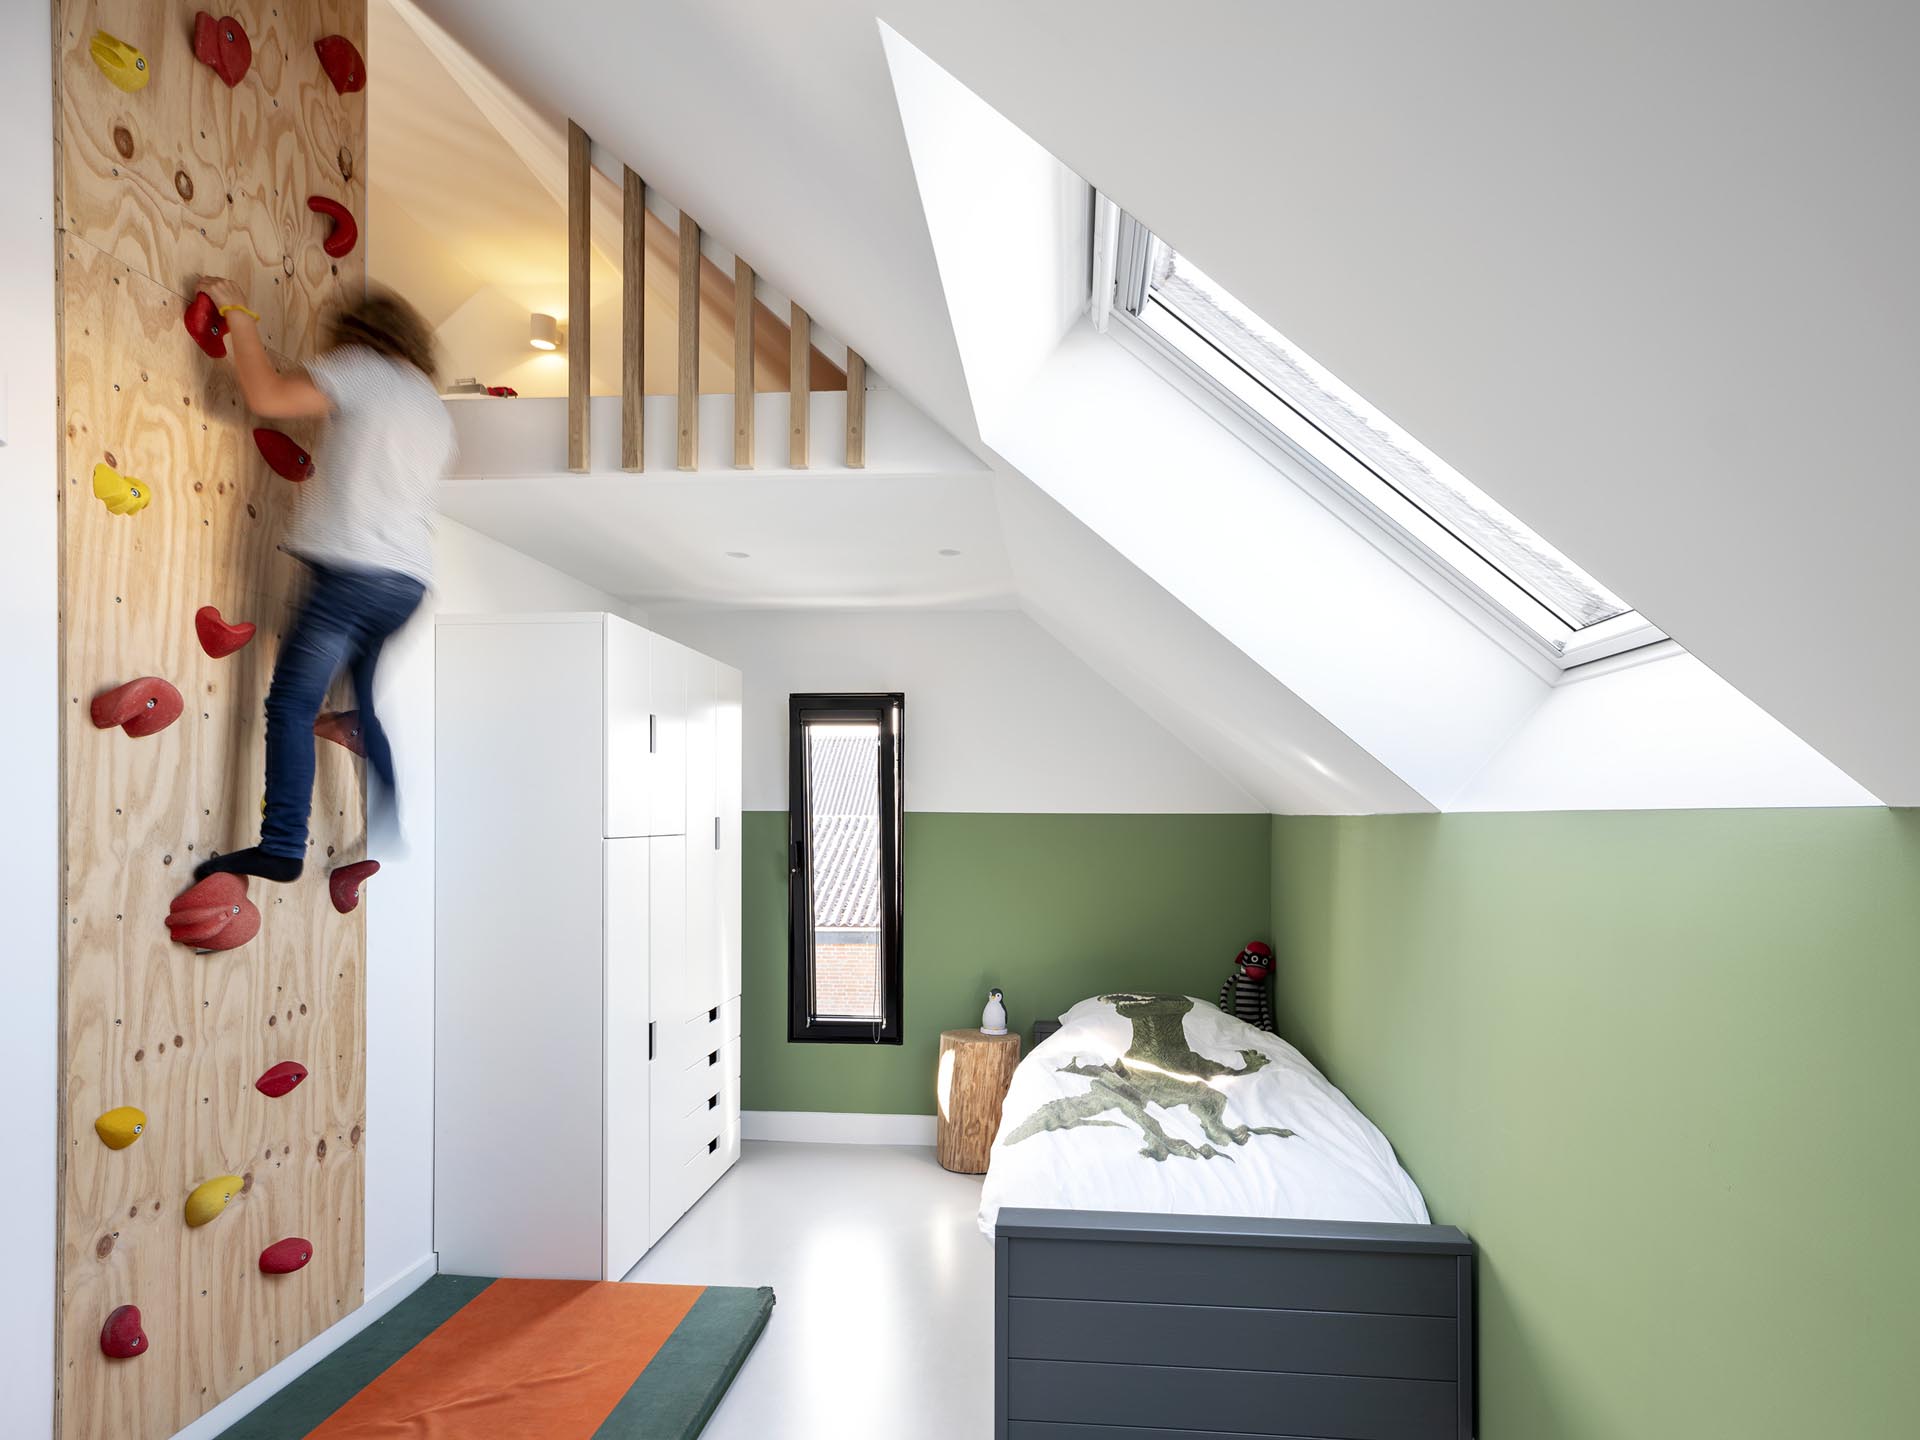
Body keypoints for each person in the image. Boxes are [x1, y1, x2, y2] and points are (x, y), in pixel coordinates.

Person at [194, 281, 455, 885]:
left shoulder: (363, 369)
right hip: (406, 584)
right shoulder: (430, 406)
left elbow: (265, 395)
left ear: (360, 334)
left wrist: (239, 311)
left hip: (351, 575)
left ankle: (282, 845)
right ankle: (386, 798)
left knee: (289, 703)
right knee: (361, 697)